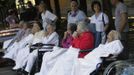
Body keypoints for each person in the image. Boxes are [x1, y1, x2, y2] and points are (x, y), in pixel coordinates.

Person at [35, 30, 123, 75]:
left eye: (109, 37)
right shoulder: (106, 44)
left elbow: (117, 48)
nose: (107, 38)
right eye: (107, 36)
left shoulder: (116, 43)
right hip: (87, 58)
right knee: (62, 61)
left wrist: (105, 54)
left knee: (66, 63)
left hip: (91, 62)